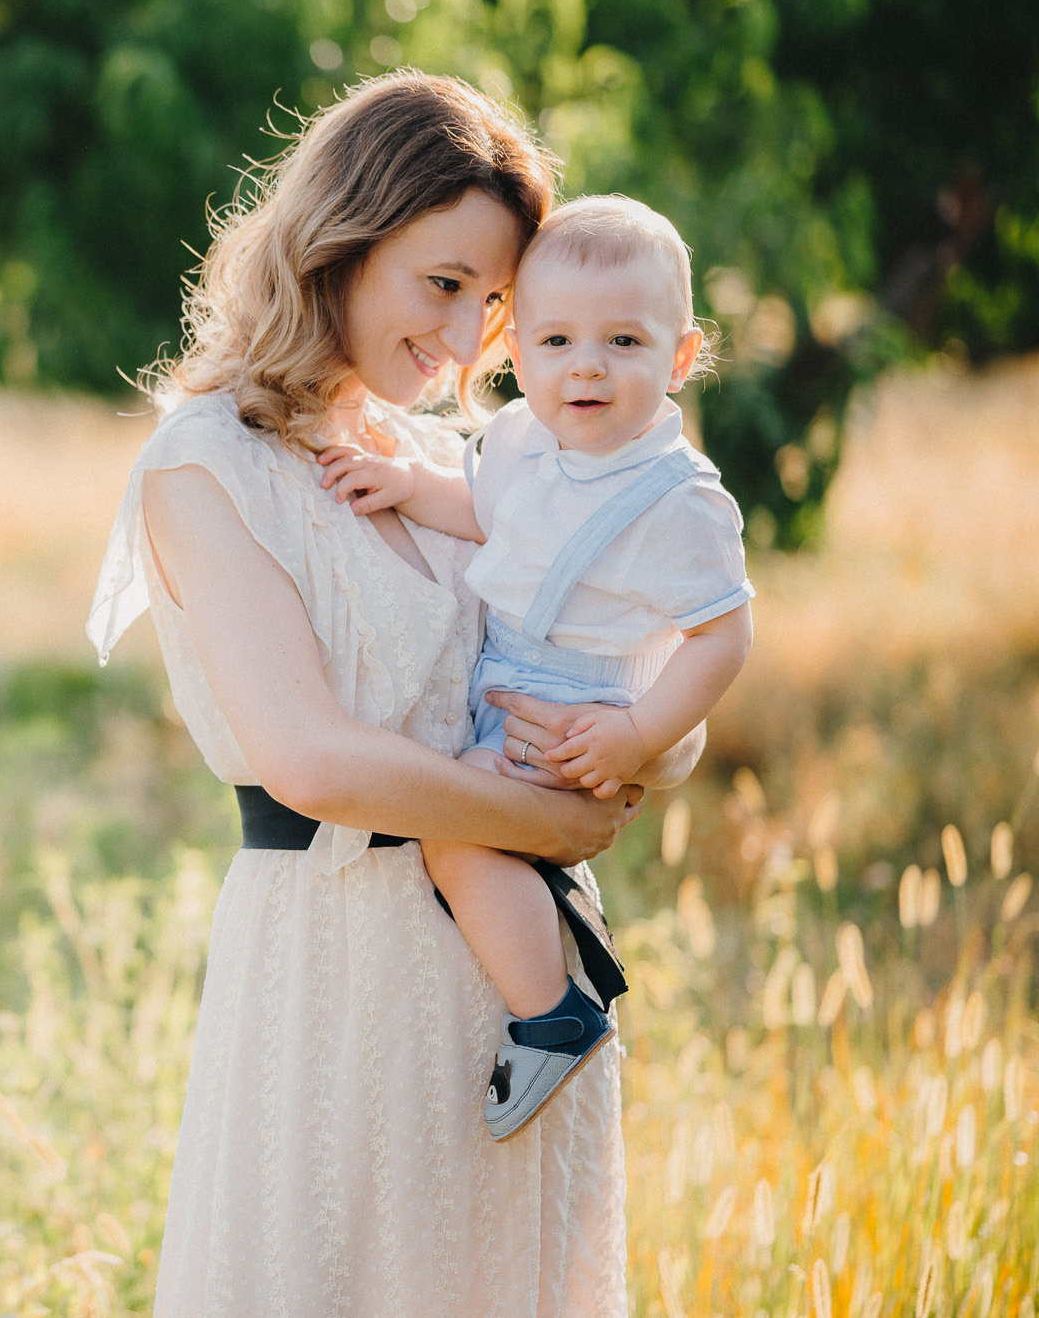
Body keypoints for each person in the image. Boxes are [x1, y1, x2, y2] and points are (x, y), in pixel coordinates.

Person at [88, 74, 703, 1315]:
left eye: (494, 300)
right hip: (339, 971)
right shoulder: (204, 466)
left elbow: (629, 662)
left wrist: (636, 742)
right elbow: (309, 758)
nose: (470, 334)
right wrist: (550, 820)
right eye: (443, 283)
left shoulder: (457, 464)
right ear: (339, 245)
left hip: (526, 988)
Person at [317, 196, 753, 1140]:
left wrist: (638, 735)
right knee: (464, 813)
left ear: (681, 355)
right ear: (517, 353)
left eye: (624, 342)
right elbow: (498, 522)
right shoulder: (525, 443)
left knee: (456, 820)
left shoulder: (679, 501)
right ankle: (543, 978)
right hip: (508, 684)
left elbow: (724, 638)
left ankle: (551, 1008)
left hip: (579, 714)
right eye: (555, 340)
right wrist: (410, 487)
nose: (586, 365)